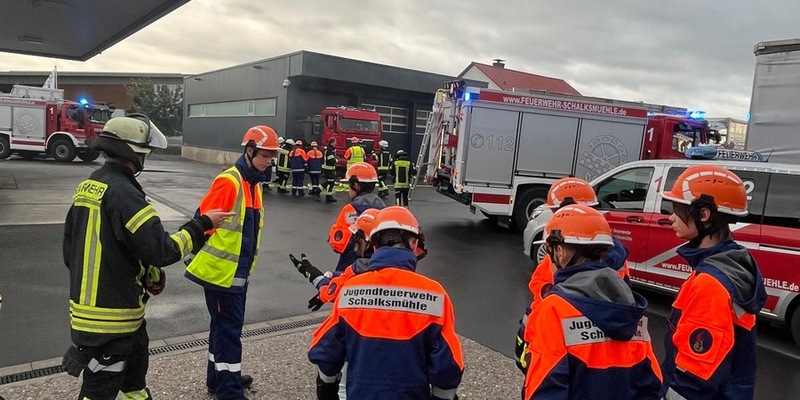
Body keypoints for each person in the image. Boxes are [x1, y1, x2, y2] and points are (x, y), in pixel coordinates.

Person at [61, 114, 233, 400]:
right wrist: (202, 225)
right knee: (99, 391)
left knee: (133, 386)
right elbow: (162, 249)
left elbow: (77, 249)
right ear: (135, 155)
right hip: (114, 322)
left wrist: (146, 273)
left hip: (92, 314)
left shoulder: (89, 186)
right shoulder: (126, 196)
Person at [309, 206, 464, 400]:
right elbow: (449, 364)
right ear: (414, 242)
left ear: (374, 244)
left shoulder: (350, 290)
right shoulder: (435, 294)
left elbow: (324, 350)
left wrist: (327, 389)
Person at [521, 204, 662, 399]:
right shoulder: (629, 305)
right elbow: (650, 384)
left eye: (550, 250)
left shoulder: (554, 309)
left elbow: (544, 389)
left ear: (560, 251)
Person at [184, 125, 280, 400]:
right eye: (265, 155)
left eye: (272, 157)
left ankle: (219, 379)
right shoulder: (231, 181)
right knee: (229, 332)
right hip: (220, 275)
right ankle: (229, 390)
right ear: (249, 151)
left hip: (233, 275)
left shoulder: (253, 184)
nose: (269, 161)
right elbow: (201, 221)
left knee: (222, 328)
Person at [659, 165, 767, 399]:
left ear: (704, 214)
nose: (670, 217)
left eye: (678, 210)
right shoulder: (734, 262)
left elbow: (693, 378)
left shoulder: (710, 283)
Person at [514, 177, 631, 373]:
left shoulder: (567, 260)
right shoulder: (608, 256)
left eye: (555, 212)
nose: (553, 218)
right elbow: (539, 290)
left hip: (567, 354)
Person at [328, 162, 386, 272]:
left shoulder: (350, 209)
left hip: (351, 265)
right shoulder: (384, 210)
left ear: (355, 185)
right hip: (377, 265)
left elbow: (338, 245)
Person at [321, 137, 338, 203]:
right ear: (332, 142)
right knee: (330, 183)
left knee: (329, 182)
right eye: (335, 142)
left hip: (328, 168)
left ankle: (318, 190)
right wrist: (336, 160)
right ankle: (328, 197)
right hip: (328, 169)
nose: (336, 143)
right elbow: (330, 159)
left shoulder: (330, 149)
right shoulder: (329, 149)